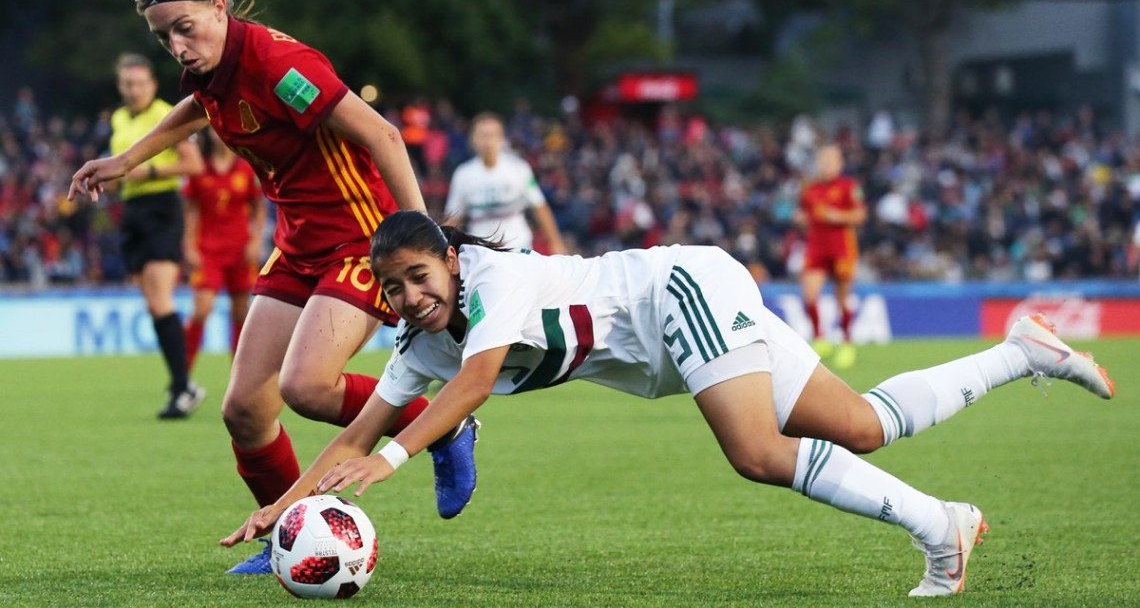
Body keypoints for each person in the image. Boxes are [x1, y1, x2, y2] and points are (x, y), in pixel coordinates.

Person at [223, 210, 1114, 597]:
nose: (410, 296)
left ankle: (942, 528)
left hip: (678, 291)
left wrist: (390, 461)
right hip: (676, 340)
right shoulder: (419, 341)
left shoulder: (494, 279)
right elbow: (357, 429)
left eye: (420, 276)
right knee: (865, 424)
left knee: (754, 450)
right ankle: (1019, 352)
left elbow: (475, 384)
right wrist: (284, 506)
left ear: (450, 261)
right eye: (393, 288)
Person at [69, 0, 478, 574]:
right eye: (163, 37)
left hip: (358, 239)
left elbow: (385, 136)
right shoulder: (215, 69)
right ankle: (290, 536)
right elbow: (196, 109)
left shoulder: (280, 67)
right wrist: (126, 159)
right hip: (297, 244)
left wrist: (422, 238)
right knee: (243, 410)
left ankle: (445, 426)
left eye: (184, 28)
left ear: (220, 7)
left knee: (306, 388)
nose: (177, 46)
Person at [109, 52, 207, 419]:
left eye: (139, 83)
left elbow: (194, 164)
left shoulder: (167, 114)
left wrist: (148, 173)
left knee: (161, 300)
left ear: (152, 84)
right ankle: (183, 385)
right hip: (132, 211)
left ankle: (183, 387)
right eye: (127, 84)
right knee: (153, 304)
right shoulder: (119, 119)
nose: (133, 90)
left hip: (161, 208)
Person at [182, 126, 265, 370]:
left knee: (240, 313)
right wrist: (188, 245)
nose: (218, 135)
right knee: (201, 309)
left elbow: (259, 208)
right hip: (208, 250)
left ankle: (239, 374)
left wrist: (256, 240)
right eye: (213, 131)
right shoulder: (199, 169)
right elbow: (190, 211)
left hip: (240, 249)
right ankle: (182, 374)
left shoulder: (246, 169)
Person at [443, 112, 567, 253]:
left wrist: (555, 242)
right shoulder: (463, 174)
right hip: (482, 251)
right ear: (473, 139)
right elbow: (453, 217)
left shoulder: (519, 168)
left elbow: (539, 207)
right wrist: (442, 250)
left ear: (501, 138)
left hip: (518, 246)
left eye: (492, 135)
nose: (487, 141)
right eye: (483, 135)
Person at [795, 143, 866, 369]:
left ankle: (846, 342)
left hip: (842, 248)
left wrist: (837, 216)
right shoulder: (810, 189)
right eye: (823, 161)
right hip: (816, 247)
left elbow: (860, 215)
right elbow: (804, 213)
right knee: (809, 294)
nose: (827, 165)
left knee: (842, 297)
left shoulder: (849, 186)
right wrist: (800, 219)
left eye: (831, 161)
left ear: (839, 164)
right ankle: (820, 338)